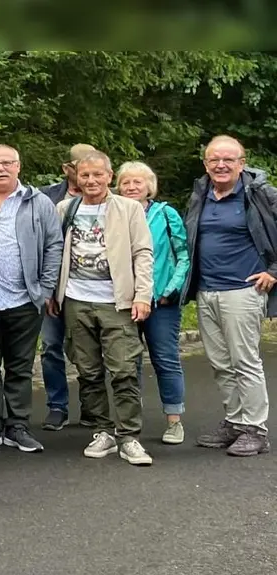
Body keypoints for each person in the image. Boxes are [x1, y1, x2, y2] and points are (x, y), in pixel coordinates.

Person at [51, 152, 156, 466]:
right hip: (76, 300)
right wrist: (51, 293)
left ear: (109, 176)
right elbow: (54, 251)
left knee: (124, 370)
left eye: (97, 175)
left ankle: (129, 437)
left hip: (117, 301)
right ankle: (103, 431)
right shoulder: (65, 208)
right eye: (85, 175)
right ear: (76, 178)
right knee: (88, 371)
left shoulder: (128, 209)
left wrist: (142, 296)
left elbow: (143, 253)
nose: (91, 181)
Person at [184, 134, 277, 456]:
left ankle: (256, 430)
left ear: (242, 162)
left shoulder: (260, 195)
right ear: (206, 163)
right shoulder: (201, 194)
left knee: (244, 362)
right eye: (214, 160)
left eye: (228, 160)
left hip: (243, 291)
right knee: (222, 364)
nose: (221, 165)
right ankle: (236, 422)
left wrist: (274, 271)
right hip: (207, 291)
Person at [0, 145, 64, 438]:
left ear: (18, 166)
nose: (1, 168)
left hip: (23, 298)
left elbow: (53, 244)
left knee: (20, 367)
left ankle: (17, 425)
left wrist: (45, 290)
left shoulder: (37, 202)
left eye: (7, 163)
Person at [117, 160, 191, 444]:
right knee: (126, 364)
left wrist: (171, 289)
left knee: (165, 359)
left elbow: (183, 254)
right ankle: (130, 422)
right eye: (126, 182)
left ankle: (174, 421)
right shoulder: (114, 213)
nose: (132, 187)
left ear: (150, 185)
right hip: (124, 301)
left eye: (138, 181)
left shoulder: (166, 213)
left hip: (162, 301)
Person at [34, 143, 99, 426]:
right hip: (55, 288)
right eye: (82, 167)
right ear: (67, 169)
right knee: (50, 346)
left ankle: (92, 405)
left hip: (92, 290)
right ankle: (57, 405)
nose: (89, 175)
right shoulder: (46, 198)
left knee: (90, 349)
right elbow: (41, 245)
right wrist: (47, 289)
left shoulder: (108, 198)